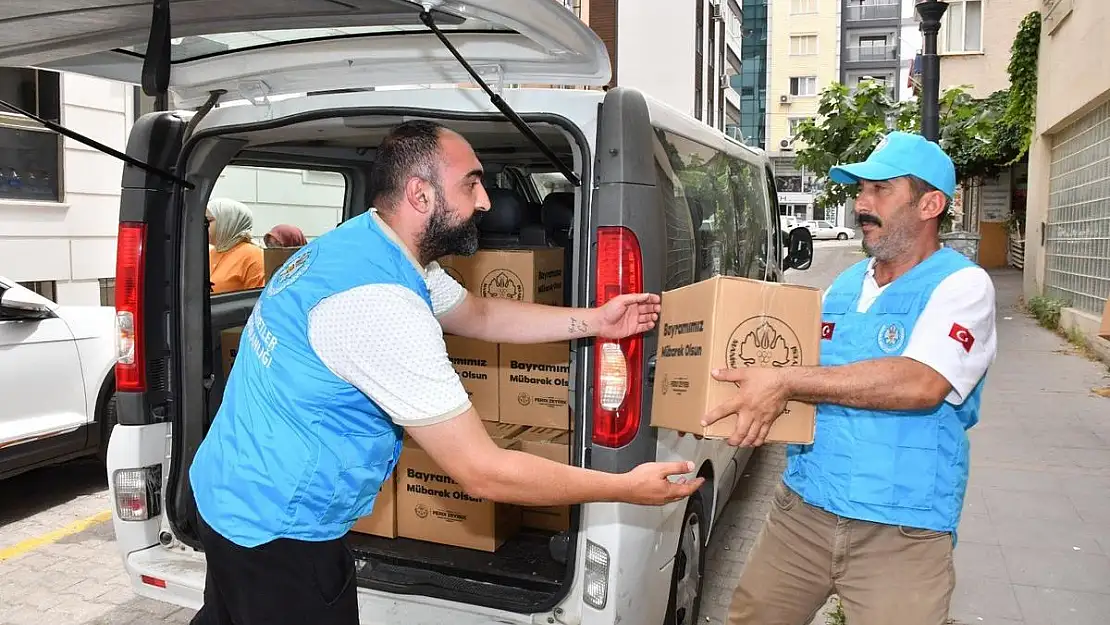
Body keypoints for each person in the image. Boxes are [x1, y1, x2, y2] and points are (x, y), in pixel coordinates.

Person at [187, 120, 704, 625]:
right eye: (472, 183)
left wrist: (595, 321)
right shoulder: (380, 305)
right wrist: (623, 486)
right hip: (279, 530)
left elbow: (478, 314)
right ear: (421, 195)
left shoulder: (370, 243)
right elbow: (482, 470)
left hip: (228, 487)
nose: (485, 201)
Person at [705, 132, 998, 625]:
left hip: (900, 532)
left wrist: (787, 382)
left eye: (880, 190)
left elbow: (921, 382)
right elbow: (788, 362)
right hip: (804, 510)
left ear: (931, 204)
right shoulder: (846, 284)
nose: (861, 203)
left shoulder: (962, 286)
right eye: (860, 190)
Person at [207, 198, 265, 293]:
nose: (203, 225)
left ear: (227, 223)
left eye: (208, 221)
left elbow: (255, 300)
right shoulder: (211, 252)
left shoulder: (254, 256)